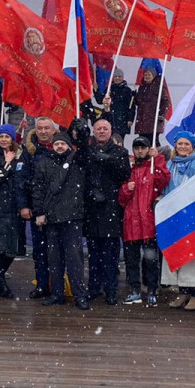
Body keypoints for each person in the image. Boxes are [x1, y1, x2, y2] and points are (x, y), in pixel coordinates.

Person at [32, 131, 89, 309]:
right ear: (52, 146)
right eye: (57, 144)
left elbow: (85, 152)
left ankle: (80, 295)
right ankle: (57, 293)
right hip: (52, 218)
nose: (59, 146)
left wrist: (81, 134)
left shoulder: (76, 161)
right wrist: (39, 212)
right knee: (54, 260)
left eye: (63, 143)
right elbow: (38, 189)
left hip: (72, 217)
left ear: (69, 145)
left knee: (75, 259)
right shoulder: (44, 164)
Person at [80, 118, 131, 305]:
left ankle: (111, 290)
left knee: (110, 254)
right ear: (93, 131)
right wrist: (90, 191)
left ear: (110, 132)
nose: (101, 131)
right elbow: (81, 173)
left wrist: (109, 161)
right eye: (98, 129)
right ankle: (94, 287)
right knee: (93, 253)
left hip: (111, 208)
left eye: (105, 129)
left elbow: (124, 174)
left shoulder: (120, 152)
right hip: (92, 208)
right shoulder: (87, 150)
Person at [119, 137, 170, 306]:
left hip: (148, 223)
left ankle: (152, 291)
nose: (140, 151)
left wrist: (158, 159)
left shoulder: (153, 167)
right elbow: (121, 200)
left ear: (148, 149)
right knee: (132, 260)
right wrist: (127, 189)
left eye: (143, 147)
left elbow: (164, 180)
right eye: (137, 148)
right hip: (130, 224)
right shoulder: (129, 169)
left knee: (151, 261)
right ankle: (135, 290)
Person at [16, 116, 59, 299]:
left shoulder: (61, 147)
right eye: (40, 128)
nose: (43, 131)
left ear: (53, 130)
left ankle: (57, 286)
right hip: (36, 208)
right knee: (40, 250)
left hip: (58, 209)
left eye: (46, 128)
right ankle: (42, 285)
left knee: (58, 250)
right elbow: (20, 180)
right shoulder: (28, 151)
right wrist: (23, 205)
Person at [163, 130, 195, 310]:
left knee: (193, 256)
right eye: (180, 143)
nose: (182, 147)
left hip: (192, 216)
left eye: (186, 144)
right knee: (179, 254)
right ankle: (183, 291)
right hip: (175, 215)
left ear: (192, 146)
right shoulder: (170, 164)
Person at [0, 124, 23, 299]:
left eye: (7, 137)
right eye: (1, 136)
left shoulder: (19, 156)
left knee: (13, 248)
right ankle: (1, 281)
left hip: (14, 207)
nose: (4, 140)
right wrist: (7, 164)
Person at [133, 64, 171, 142]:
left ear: (153, 75)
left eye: (149, 74)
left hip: (154, 120)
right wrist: (134, 97)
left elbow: (165, 102)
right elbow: (139, 102)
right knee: (143, 142)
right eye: (145, 74)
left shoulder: (158, 86)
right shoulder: (142, 87)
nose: (147, 76)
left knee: (153, 142)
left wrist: (161, 115)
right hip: (142, 121)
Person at [101, 68, 135, 138]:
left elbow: (131, 106)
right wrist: (95, 90)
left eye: (119, 76)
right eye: (115, 76)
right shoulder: (109, 89)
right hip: (110, 119)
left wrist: (130, 119)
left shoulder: (127, 90)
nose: (117, 78)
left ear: (122, 78)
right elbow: (100, 100)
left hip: (122, 120)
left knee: (119, 140)